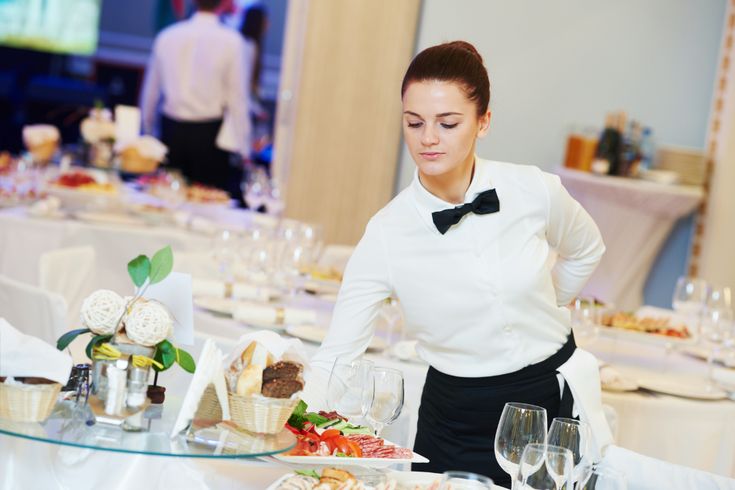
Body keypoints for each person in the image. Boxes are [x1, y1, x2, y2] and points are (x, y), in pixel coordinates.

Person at [305, 41, 607, 486]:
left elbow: (586, 249)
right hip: (454, 418)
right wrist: (285, 420)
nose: (428, 138)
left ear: (484, 121)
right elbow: (337, 356)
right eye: (414, 123)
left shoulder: (534, 190)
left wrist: (543, 305)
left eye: (448, 123)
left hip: (549, 411)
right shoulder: (387, 232)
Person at [140, 0, 250, 205]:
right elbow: (237, 99)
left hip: (170, 131)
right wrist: (244, 148)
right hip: (209, 137)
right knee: (207, 206)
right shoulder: (232, 41)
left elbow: (150, 92)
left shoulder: (167, 36)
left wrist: (147, 131)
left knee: (166, 202)